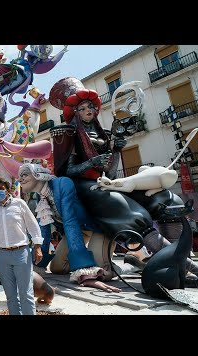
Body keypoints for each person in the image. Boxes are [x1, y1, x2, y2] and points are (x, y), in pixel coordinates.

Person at [49, 77, 198, 277]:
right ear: (75, 111)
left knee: (163, 198)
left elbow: (110, 172)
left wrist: (116, 151)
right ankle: (181, 263)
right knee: (128, 210)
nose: (89, 111)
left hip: (105, 183)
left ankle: (179, 259)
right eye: (83, 108)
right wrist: (92, 163)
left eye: (91, 107)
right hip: (82, 187)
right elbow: (66, 171)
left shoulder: (105, 134)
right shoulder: (68, 133)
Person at [18, 163, 121, 293]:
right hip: (77, 231)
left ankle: (115, 269)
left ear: (37, 174)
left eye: (24, 175)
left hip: (96, 228)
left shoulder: (62, 184)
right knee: (57, 268)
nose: (19, 179)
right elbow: (43, 228)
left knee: (98, 270)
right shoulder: (40, 196)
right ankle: (104, 263)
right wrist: (37, 264)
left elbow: (70, 220)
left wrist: (85, 272)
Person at [0, 177, 42, 315]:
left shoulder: (19, 204)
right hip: (1, 255)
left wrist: (37, 246)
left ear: (8, 190)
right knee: (10, 296)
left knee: (26, 294)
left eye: (2, 188)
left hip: (21, 253)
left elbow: (32, 225)